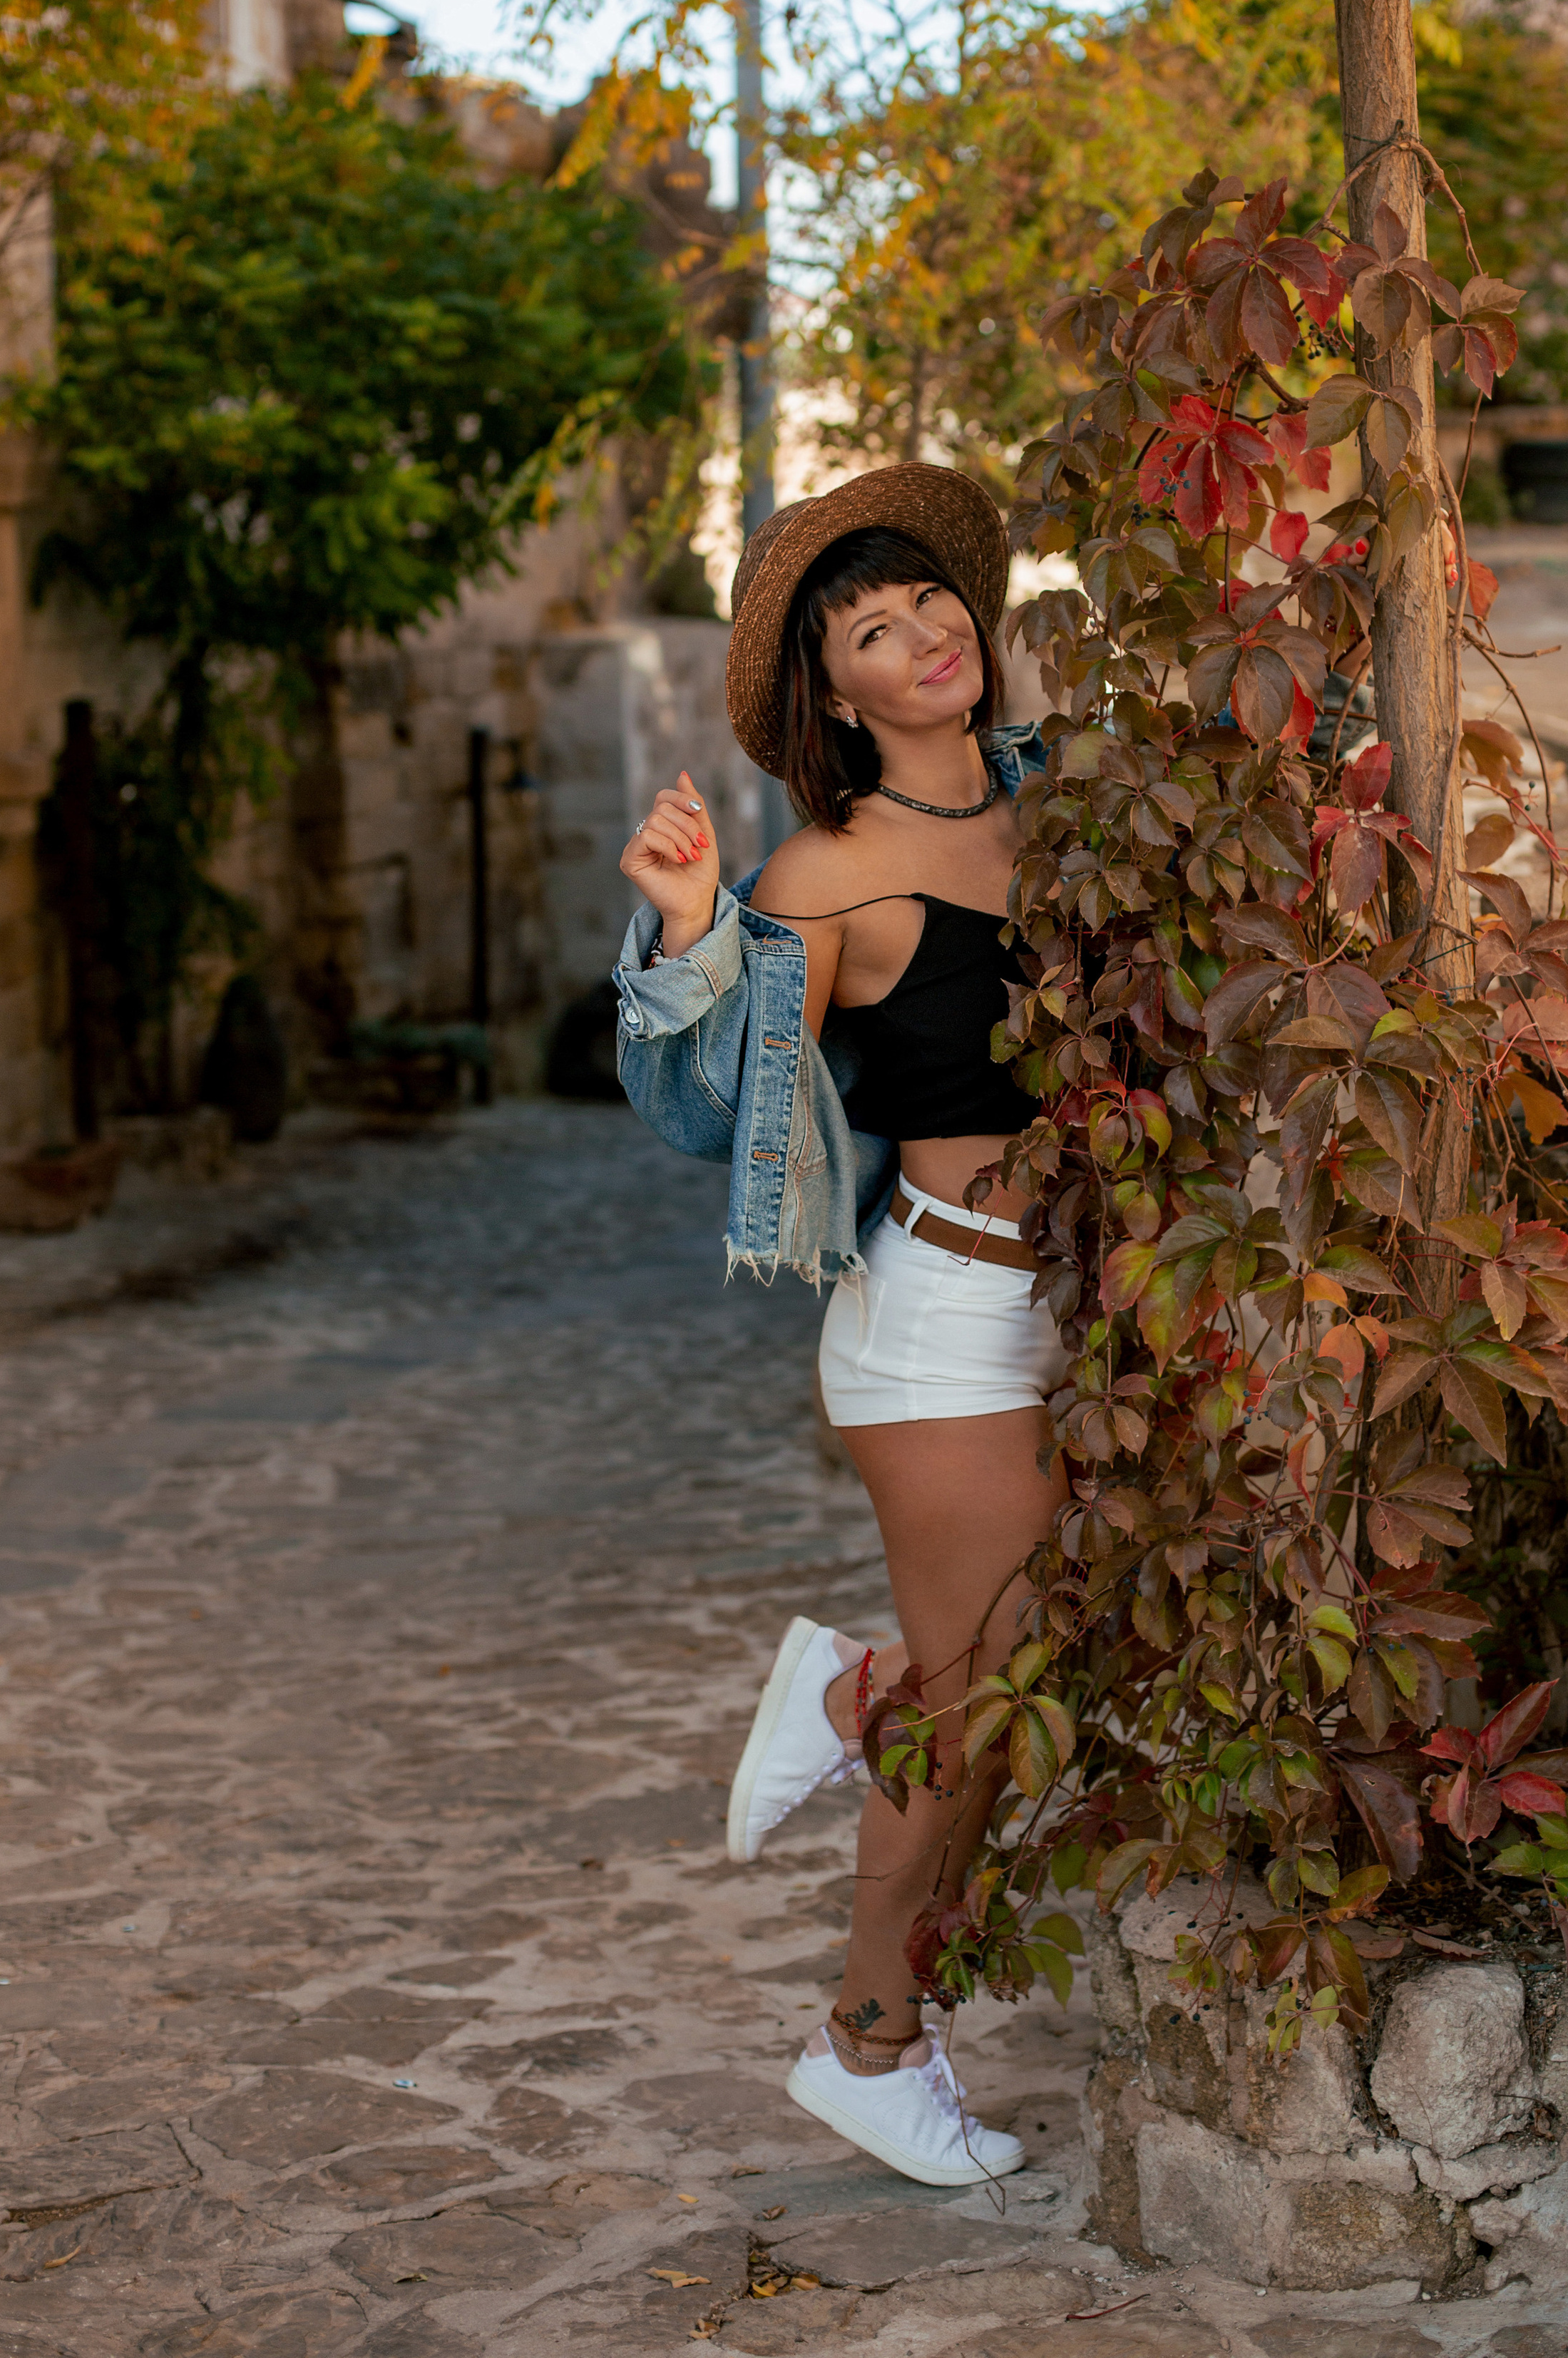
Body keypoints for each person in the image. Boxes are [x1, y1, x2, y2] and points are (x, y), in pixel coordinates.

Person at [613, 464, 1065, 2188]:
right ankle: (866, 2044)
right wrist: (687, 932)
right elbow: (715, 1109)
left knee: (1046, 1653)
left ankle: (844, 1690)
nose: (923, 634)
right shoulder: (832, 871)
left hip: (1075, 1312)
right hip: (944, 1318)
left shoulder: (1060, 803)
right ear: (839, 696)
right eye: (872, 629)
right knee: (978, 1719)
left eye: (929, 601)